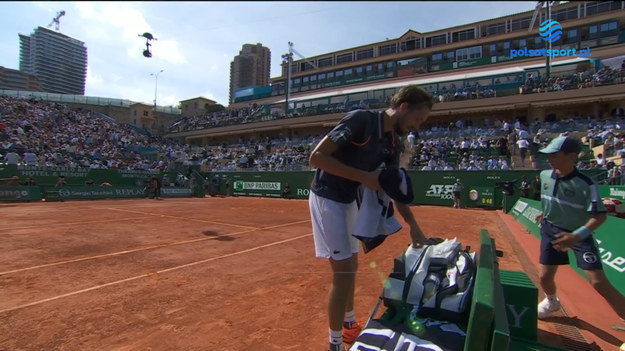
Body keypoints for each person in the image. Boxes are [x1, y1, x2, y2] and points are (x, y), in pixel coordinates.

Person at [308, 85, 431, 351]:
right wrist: (366, 178)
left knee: (352, 267)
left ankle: (350, 325)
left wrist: (414, 226)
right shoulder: (361, 120)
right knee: (342, 274)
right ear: (403, 107)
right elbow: (316, 157)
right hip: (327, 197)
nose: (416, 127)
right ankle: (335, 343)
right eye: (417, 119)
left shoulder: (393, 143)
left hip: (349, 201)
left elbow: (393, 186)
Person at [534, 136, 625, 335]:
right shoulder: (544, 175)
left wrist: (576, 236)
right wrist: (546, 212)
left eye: (555, 155)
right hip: (550, 230)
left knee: (598, 283)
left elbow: (600, 216)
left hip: (579, 235)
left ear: (572, 156)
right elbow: (549, 198)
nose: (550, 159)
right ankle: (552, 302)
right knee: (544, 277)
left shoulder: (587, 184)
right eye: (548, 155)